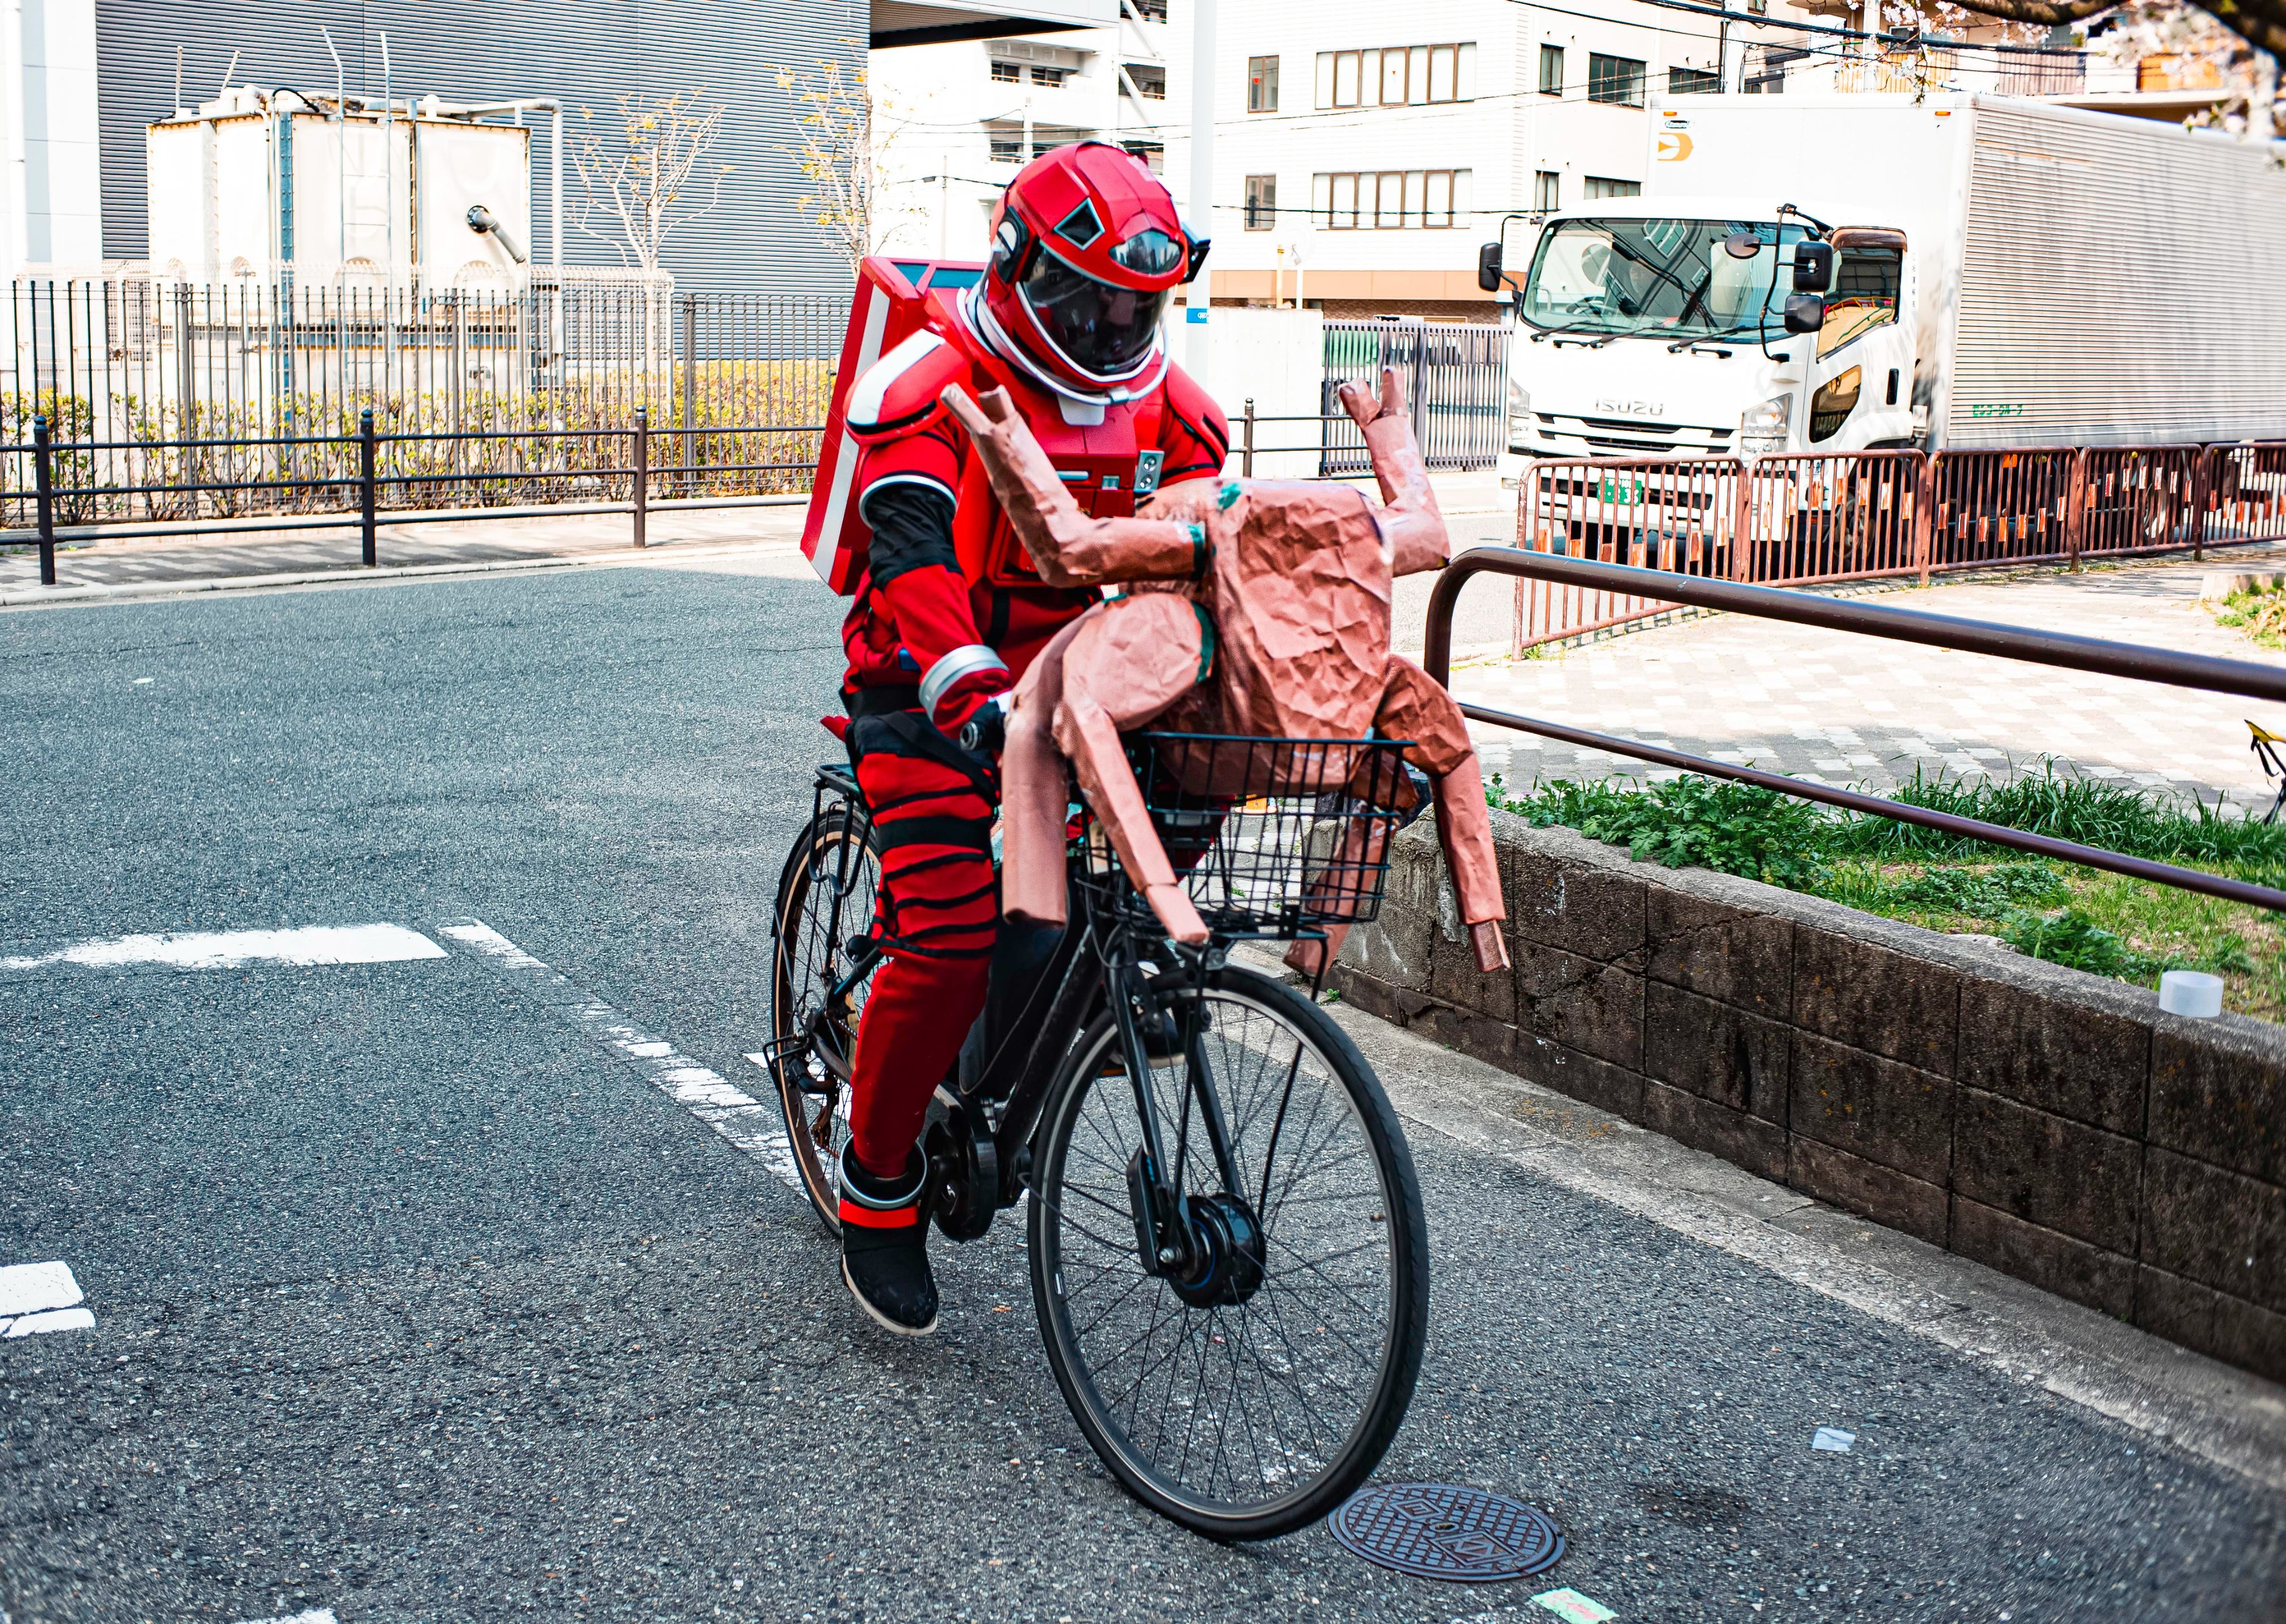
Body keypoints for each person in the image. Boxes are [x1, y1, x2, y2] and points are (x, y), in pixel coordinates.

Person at [832, 142, 1230, 1335]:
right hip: (923, 680)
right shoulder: (936, 377)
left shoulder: (1175, 409)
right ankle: (877, 1190)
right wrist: (960, 679)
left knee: (1186, 816)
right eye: (1084, 297)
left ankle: (1052, 1028)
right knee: (948, 935)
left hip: (1080, 685)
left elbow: (1204, 554)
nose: (1109, 325)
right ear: (1020, 271)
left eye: (1133, 305)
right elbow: (905, 543)